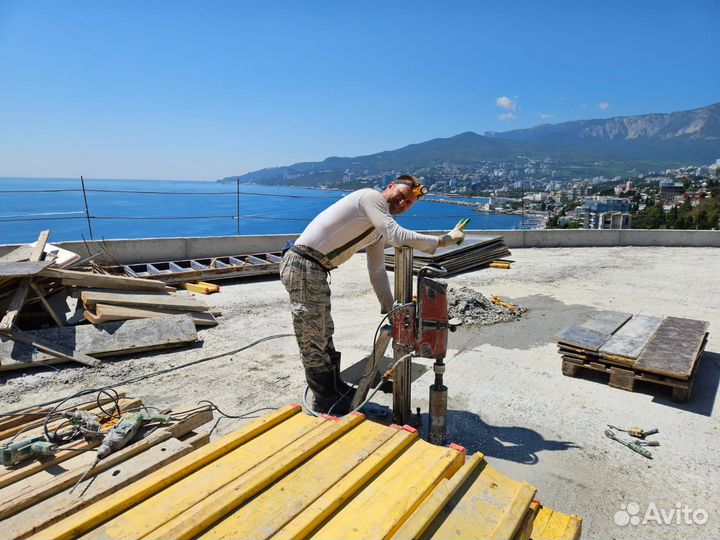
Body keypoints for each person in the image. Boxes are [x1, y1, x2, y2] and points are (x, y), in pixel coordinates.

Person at [280, 174, 466, 415]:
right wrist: (444, 240)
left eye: (408, 203)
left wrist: (392, 312)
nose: (402, 204)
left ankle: (335, 389)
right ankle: (324, 399)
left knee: (323, 331)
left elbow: (377, 271)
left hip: (315, 268)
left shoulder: (376, 230)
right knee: (312, 336)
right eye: (400, 196)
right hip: (303, 263)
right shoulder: (370, 197)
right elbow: (397, 236)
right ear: (389, 187)